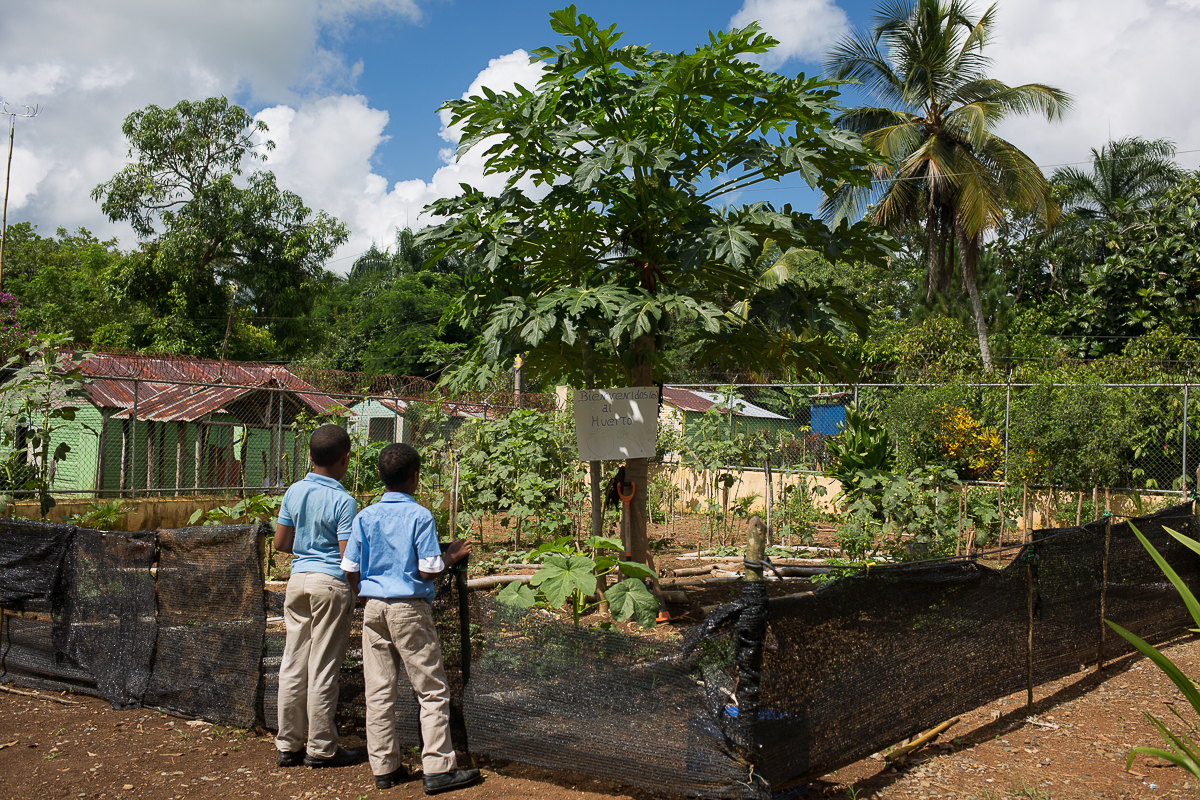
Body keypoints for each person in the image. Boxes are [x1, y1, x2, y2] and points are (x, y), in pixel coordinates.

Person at [340, 443, 481, 794]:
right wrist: (449, 556)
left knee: (378, 690)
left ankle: (385, 767)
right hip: (408, 609)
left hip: (373, 608)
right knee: (431, 689)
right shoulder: (419, 516)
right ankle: (437, 767)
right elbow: (428, 568)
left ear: (380, 477)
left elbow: (350, 567)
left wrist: (363, 594)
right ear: (416, 477)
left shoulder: (365, 517)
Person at [273, 424, 364, 769]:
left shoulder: (294, 491)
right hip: (330, 585)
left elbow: (281, 543)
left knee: (293, 663)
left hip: (297, 582)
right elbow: (347, 556)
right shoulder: (343, 500)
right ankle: (322, 747)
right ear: (345, 460)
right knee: (323, 666)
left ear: (309, 456)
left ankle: (288, 744)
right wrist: (360, 588)